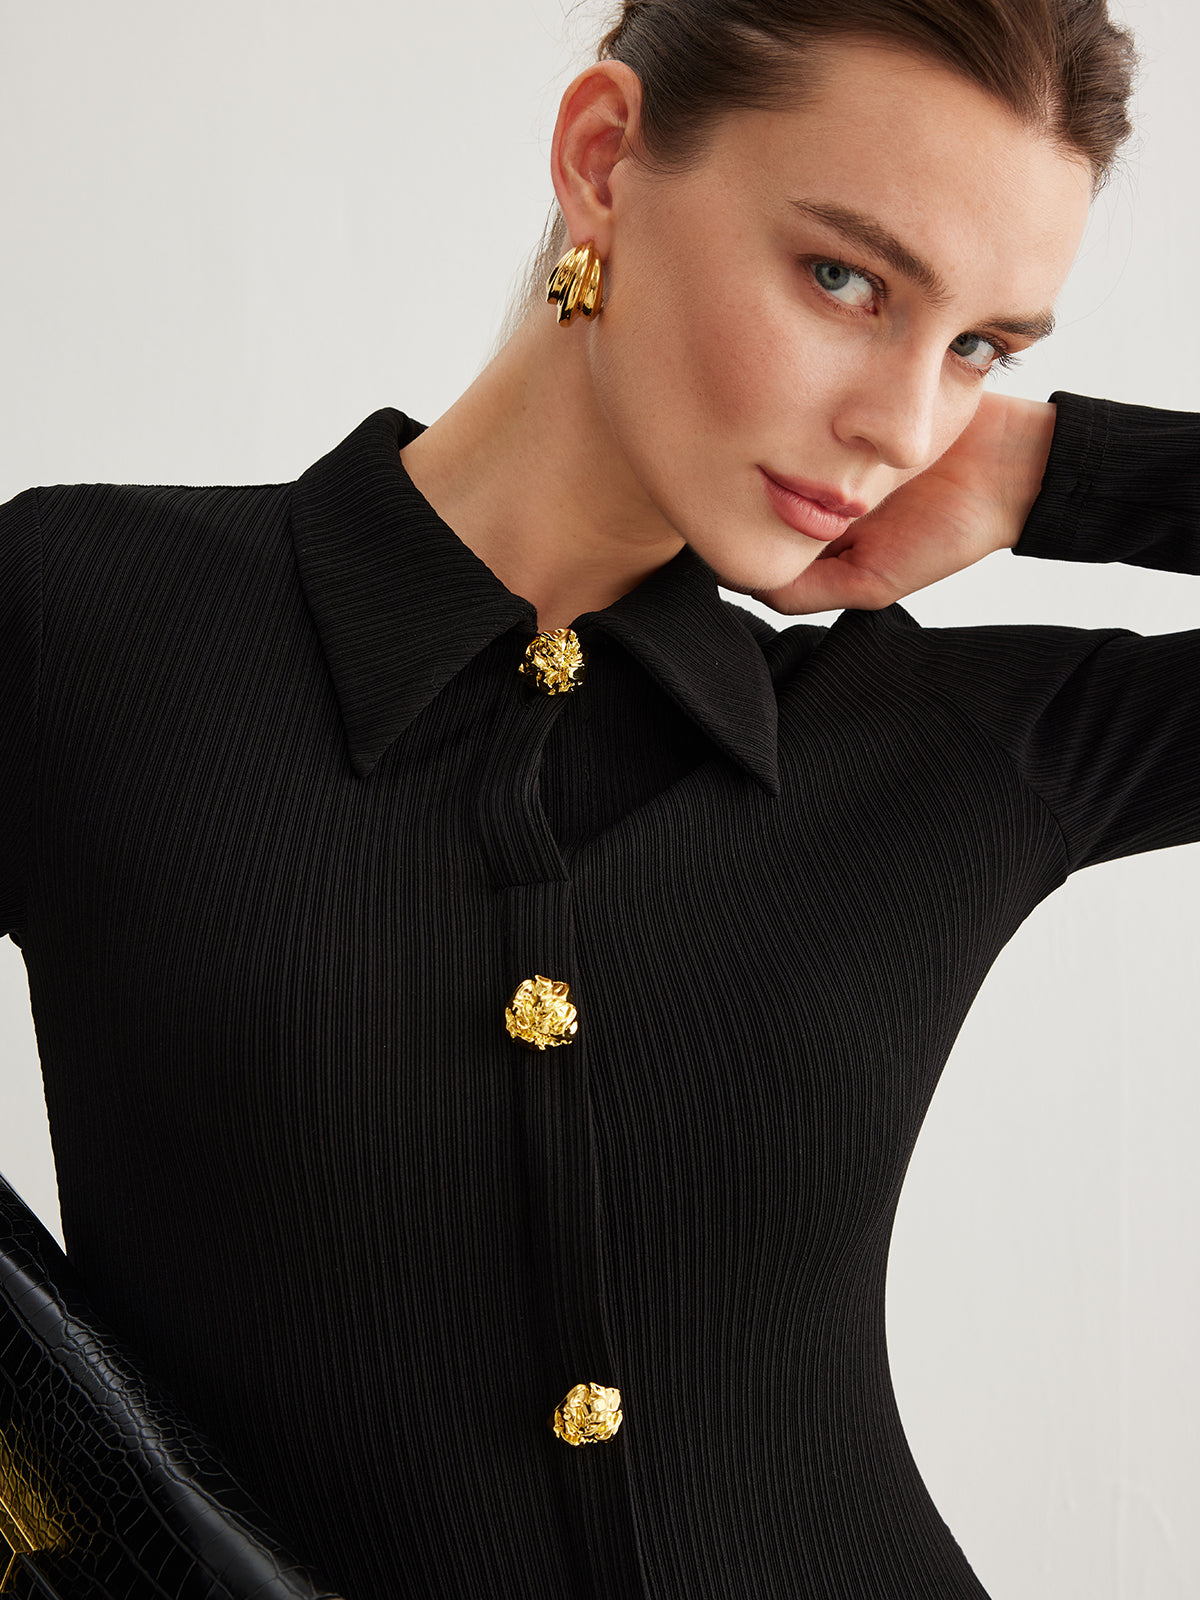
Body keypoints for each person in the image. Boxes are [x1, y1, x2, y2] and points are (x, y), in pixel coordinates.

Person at [1, 1, 1195, 1596]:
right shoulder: (87, 623)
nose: (907, 426)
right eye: (847, 279)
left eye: (980, 346)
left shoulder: (952, 744)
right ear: (604, 160)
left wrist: (1052, 472)